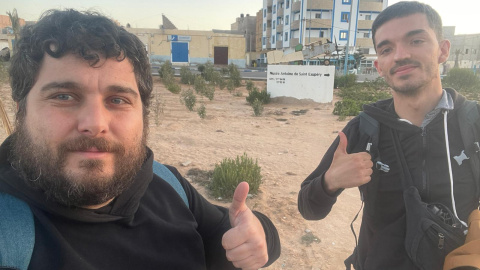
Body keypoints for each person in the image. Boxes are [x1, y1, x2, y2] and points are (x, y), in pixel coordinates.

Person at [2, 9, 280, 270]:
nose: (95, 124)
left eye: (118, 100)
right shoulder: (10, 240)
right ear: (21, 110)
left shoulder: (164, 183)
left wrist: (258, 235)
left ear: (143, 115)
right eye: (64, 96)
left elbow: (231, 235)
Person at [298, 1, 479, 269]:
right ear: (380, 65)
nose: (399, 55)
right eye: (386, 49)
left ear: (443, 50)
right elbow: (308, 207)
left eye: (416, 40)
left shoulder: (473, 124)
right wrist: (329, 182)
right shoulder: (363, 129)